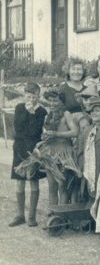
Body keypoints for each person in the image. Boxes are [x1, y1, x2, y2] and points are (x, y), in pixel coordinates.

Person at [16, 88, 81, 208]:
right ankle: (53, 216)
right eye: (49, 100)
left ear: (61, 102)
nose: (52, 103)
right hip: (50, 154)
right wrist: (45, 136)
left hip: (63, 153)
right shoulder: (48, 115)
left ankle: (61, 217)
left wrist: (57, 134)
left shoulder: (66, 114)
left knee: (62, 187)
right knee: (52, 187)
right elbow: (46, 132)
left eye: (55, 100)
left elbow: (75, 132)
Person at [9, 83, 48, 227]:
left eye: (34, 96)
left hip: (34, 150)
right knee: (19, 181)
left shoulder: (42, 111)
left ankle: (31, 216)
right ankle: (20, 215)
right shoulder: (19, 107)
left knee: (33, 180)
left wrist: (32, 114)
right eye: (28, 96)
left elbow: (34, 131)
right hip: (19, 147)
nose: (31, 99)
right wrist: (26, 112)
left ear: (39, 96)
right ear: (24, 95)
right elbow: (18, 126)